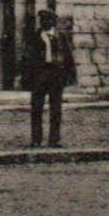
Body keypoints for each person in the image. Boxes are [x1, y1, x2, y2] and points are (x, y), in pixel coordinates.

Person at [25, 9, 77, 148]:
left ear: (53, 22)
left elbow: (68, 57)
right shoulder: (34, 36)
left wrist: (69, 76)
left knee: (56, 109)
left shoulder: (61, 37)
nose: (44, 23)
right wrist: (28, 78)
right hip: (40, 75)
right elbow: (27, 58)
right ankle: (36, 140)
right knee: (36, 108)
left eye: (47, 20)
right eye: (42, 21)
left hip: (56, 75)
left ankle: (54, 140)